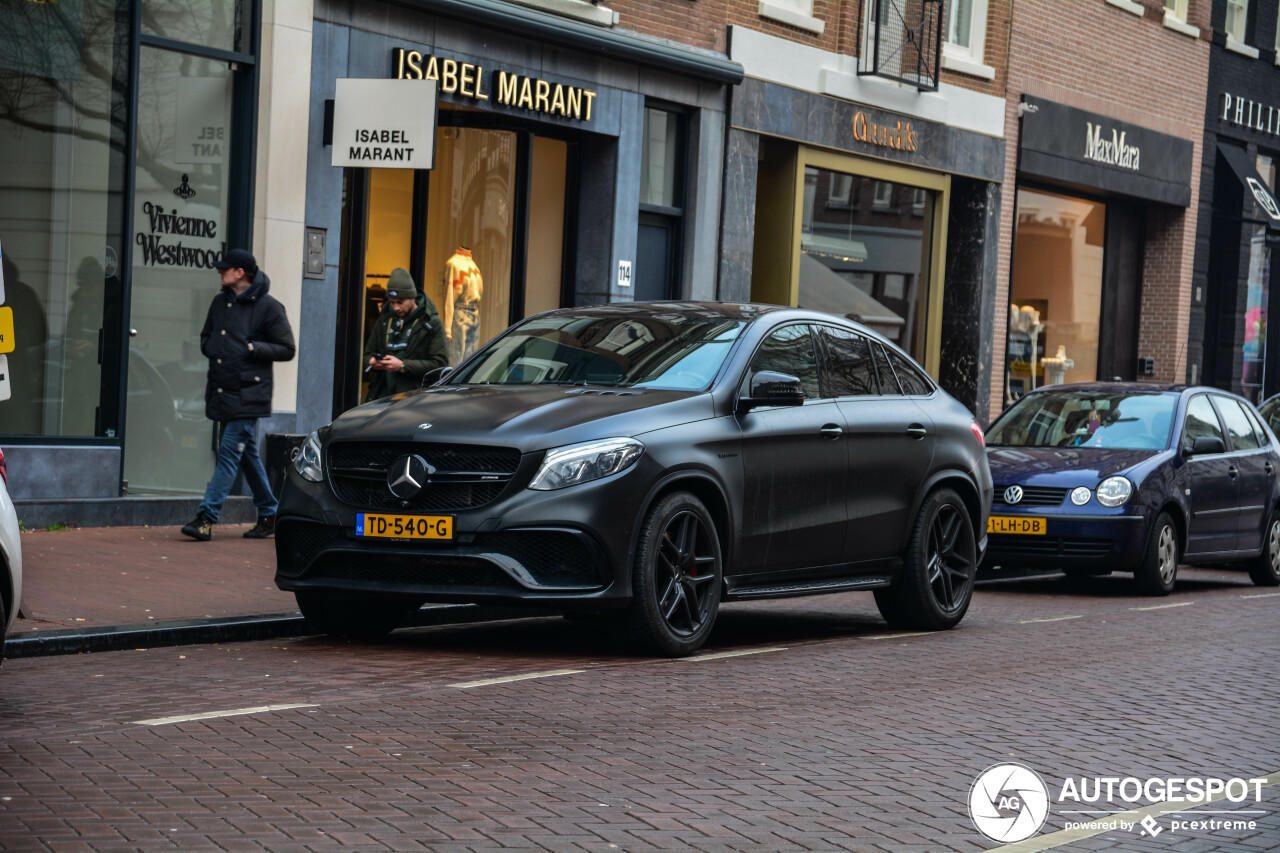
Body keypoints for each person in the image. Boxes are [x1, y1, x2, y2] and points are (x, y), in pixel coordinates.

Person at [182, 249, 295, 541]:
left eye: (225, 269)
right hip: (222, 390)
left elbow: (287, 348)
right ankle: (270, 513)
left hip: (249, 395)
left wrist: (253, 348)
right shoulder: (220, 302)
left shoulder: (269, 307)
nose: (220, 273)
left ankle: (206, 517)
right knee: (247, 456)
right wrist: (213, 349)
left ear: (240, 272)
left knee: (229, 453)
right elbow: (206, 337)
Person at [364, 267, 448, 401]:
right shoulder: (385, 320)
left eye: (400, 302)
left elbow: (440, 364)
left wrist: (403, 366)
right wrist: (372, 362)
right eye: (392, 303)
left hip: (413, 399)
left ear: (412, 297)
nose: (396, 307)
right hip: (382, 397)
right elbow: (368, 354)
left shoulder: (431, 323)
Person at [443, 246, 483, 365]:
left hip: (472, 312)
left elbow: (449, 295)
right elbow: (449, 295)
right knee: (458, 357)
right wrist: (447, 328)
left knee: (469, 358)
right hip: (462, 311)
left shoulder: (473, 265)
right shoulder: (453, 264)